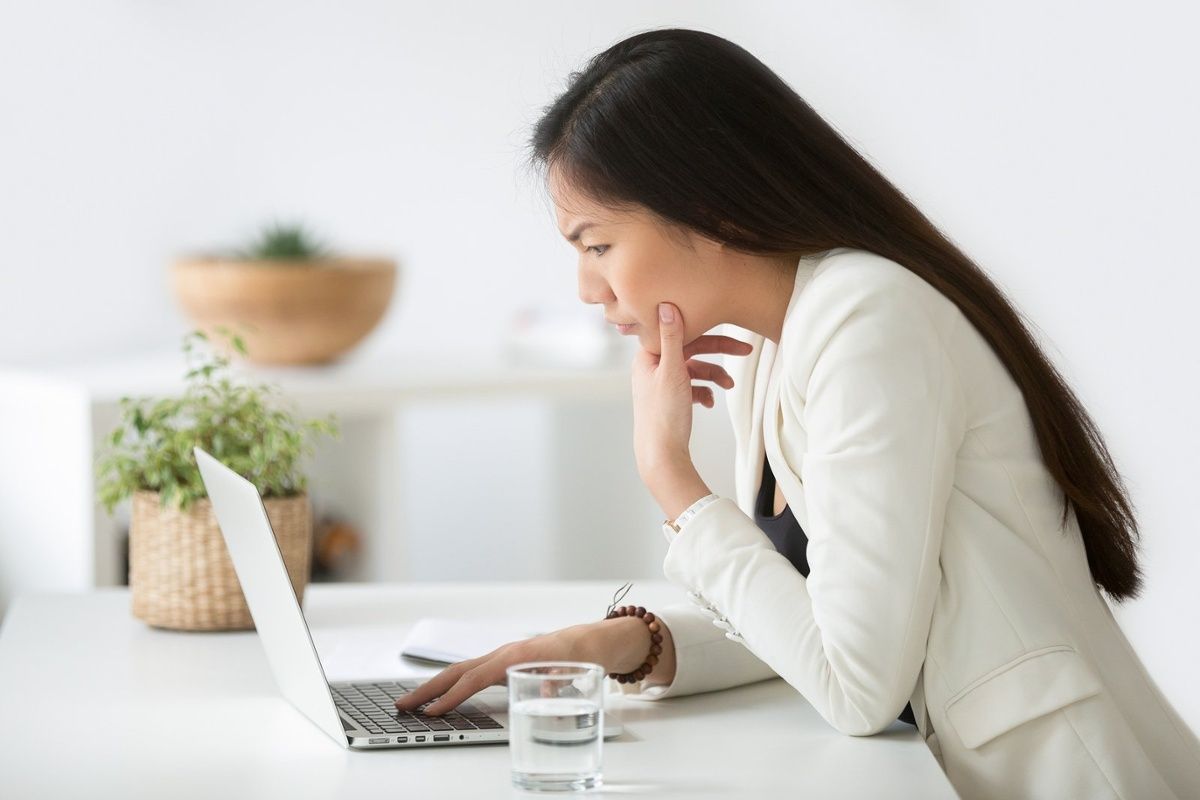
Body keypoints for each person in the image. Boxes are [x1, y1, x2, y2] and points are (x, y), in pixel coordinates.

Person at [394, 28, 1200, 798]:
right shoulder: (778, 344)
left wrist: (672, 478)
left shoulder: (866, 318)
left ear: (706, 207)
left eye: (596, 244)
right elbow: (814, 621)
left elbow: (856, 687)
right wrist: (627, 643)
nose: (585, 288)